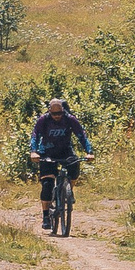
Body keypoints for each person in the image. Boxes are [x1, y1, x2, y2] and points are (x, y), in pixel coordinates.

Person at [29, 96, 94, 231]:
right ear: (49, 112)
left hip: (65, 150)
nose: (57, 116)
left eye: (59, 113)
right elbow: (35, 135)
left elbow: (81, 135)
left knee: (75, 166)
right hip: (47, 151)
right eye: (54, 114)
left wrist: (89, 151)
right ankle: (46, 216)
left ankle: (68, 190)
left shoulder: (69, 119)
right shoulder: (44, 120)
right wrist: (34, 151)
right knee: (47, 184)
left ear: (63, 111)